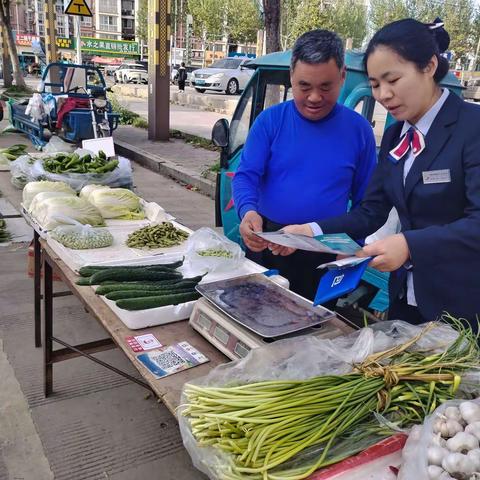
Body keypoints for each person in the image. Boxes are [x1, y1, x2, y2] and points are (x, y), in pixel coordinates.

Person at [279, 19, 480, 323]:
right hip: (406, 300)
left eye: (392, 80)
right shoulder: (396, 135)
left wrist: (410, 245)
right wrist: (312, 231)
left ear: (428, 66)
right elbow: (371, 211)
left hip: (462, 305)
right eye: (374, 85)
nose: (383, 95)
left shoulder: (471, 127)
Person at [232, 29, 377, 300]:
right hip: (268, 242)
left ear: (342, 76)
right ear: (291, 76)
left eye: (325, 87)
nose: (313, 97)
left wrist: (349, 247)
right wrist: (248, 211)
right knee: (254, 318)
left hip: (323, 250)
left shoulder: (358, 131)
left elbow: (367, 203)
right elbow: (246, 176)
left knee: (314, 331)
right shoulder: (270, 121)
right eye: (304, 86)